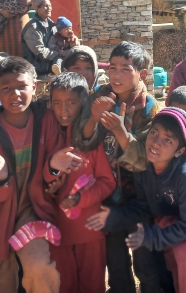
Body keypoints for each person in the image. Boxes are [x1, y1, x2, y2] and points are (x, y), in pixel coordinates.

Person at [0, 57, 82, 293]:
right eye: (7, 88)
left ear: (35, 86)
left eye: (22, 86)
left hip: (34, 210)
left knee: (39, 268)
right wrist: (1, 179)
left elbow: (53, 176)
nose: (15, 94)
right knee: (2, 283)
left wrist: (52, 166)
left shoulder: (46, 120)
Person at [86, 107, 186, 293]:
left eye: (167, 140)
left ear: (180, 151)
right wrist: (115, 216)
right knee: (161, 259)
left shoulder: (184, 176)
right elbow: (144, 206)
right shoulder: (144, 168)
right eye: (154, 133)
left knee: (183, 251)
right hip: (165, 214)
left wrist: (151, 236)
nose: (156, 143)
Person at [80, 41, 161, 293]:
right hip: (105, 193)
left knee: (145, 262)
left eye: (125, 69)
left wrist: (120, 132)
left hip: (138, 196)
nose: (116, 75)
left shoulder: (149, 108)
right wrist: (94, 118)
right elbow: (82, 141)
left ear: (142, 74)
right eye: (113, 68)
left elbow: (146, 158)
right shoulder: (99, 96)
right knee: (115, 261)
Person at [48, 73, 116, 293]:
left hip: (89, 231)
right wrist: (51, 189)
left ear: (83, 103)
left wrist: (81, 198)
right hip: (56, 232)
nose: (64, 110)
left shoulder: (91, 142)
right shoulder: (47, 138)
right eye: (57, 103)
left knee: (92, 285)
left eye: (71, 103)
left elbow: (107, 182)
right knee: (63, 285)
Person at [21, 0, 61, 76]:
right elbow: (40, 52)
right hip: (38, 68)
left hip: (51, 64)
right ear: (37, 8)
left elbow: (58, 42)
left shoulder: (52, 25)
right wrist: (59, 53)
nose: (49, 8)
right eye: (45, 6)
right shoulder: (32, 28)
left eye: (50, 6)